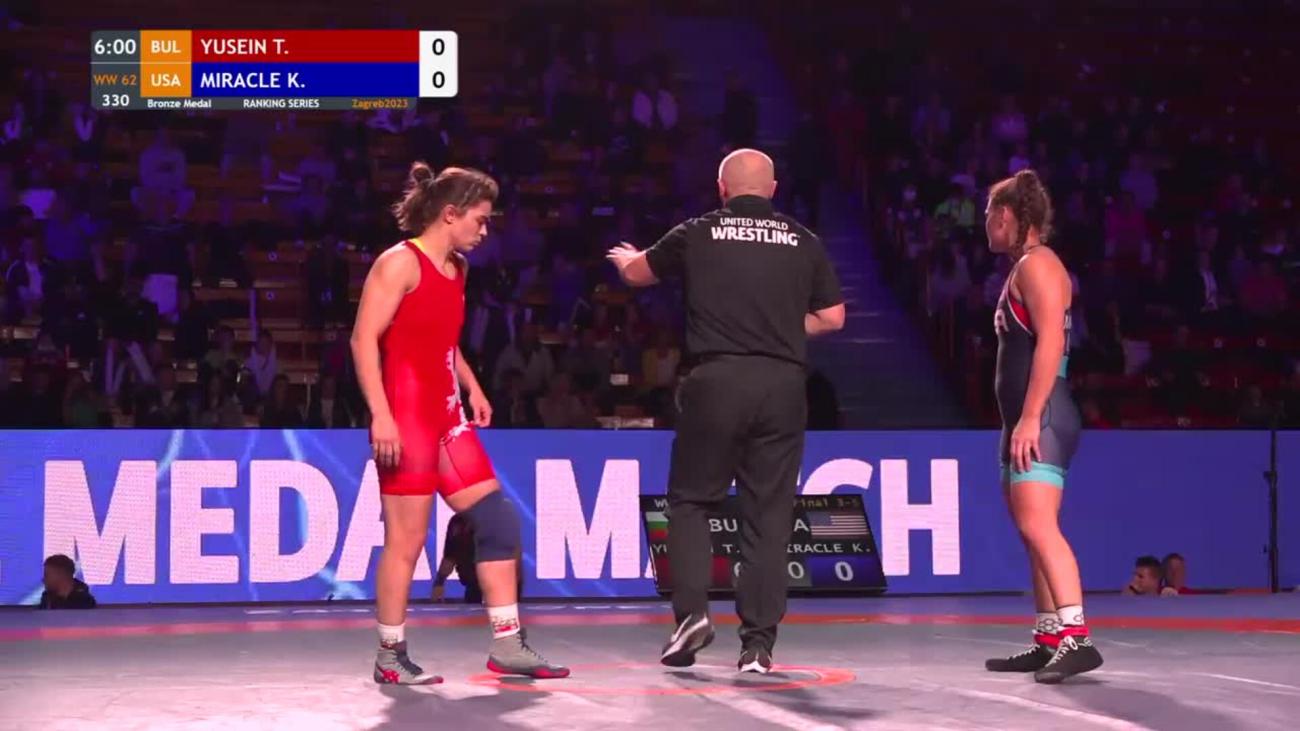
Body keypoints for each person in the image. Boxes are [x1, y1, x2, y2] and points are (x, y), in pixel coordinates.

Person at [607, 148, 844, 674]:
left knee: (692, 501)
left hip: (716, 381)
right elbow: (832, 317)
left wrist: (626, 261)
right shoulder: (803, 239)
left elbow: (640, 274)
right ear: (773, 190)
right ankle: (758, 645)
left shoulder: (698, 231)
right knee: (769, 513)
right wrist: (777, 326)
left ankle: (692, 615)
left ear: (721, 189)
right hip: (783, 386)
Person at [351, 162, 567, 685]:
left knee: (498, 522)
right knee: (406, 541)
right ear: (450, 214)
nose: (485, 230)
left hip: (448, 415)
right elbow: (363, 340)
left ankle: (508, 645)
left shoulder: (458, 269)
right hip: (406, 418)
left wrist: (472, 385)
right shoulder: (398, 264)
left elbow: (443, 342)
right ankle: (390, 656)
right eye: (481, 219)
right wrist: (381, 415)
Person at [982, 170, 1103, 684]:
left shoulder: (1040, 264)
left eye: (988, 214)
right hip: (1025, 417)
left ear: (1006, 215)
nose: (985, 225)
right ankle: (1050, 636)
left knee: (1039, 526)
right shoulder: (1025, 267)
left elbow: (1051, 342)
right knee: (1029, 528)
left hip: (1044, 415)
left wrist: (1031, 417)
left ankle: (1077, 638)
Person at [432, 513, 524, 605]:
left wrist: (510, 584)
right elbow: (450, 557)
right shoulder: (457, 523)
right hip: (474, 583)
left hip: (501, 582)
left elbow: (513, 552)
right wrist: (439, 583)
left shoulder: (497, 518)